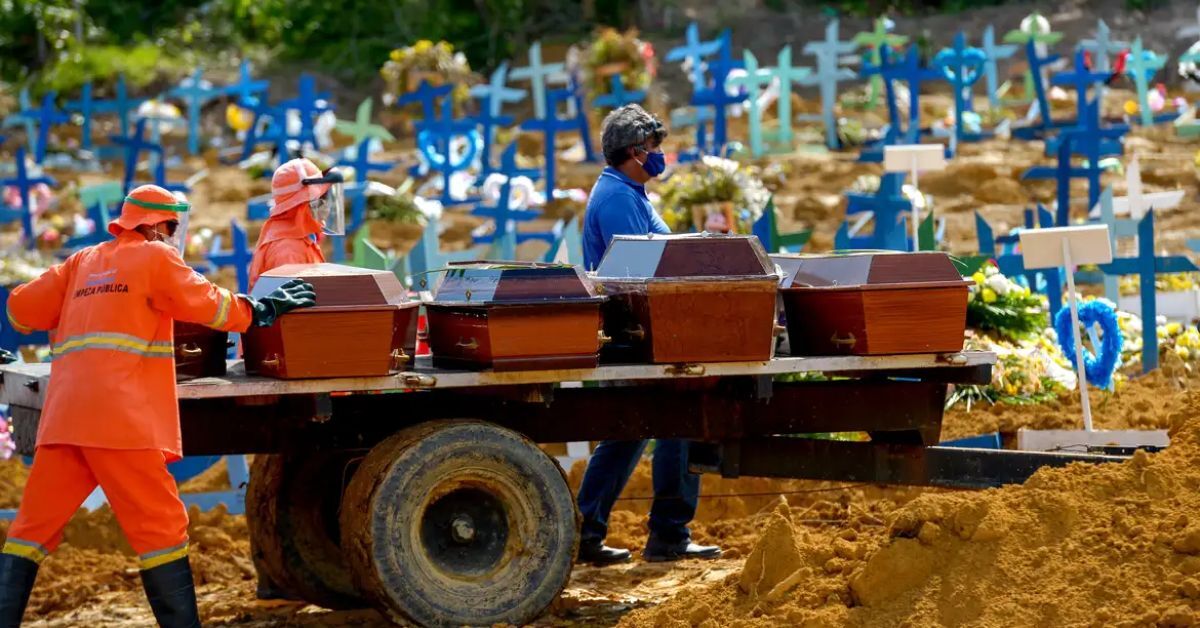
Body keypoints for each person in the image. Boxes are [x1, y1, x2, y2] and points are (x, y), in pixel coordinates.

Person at [0, 184, 317, 627]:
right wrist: (258, 310)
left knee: (29, 532)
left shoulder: (80, 262)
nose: (172, 237)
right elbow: (207, 302)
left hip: (65, 419)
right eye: (171, 228)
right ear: (152, 226)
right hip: (121, 421)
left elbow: (20, 310)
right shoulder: (155, 258)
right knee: (162, 530)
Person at [576, 104, 722, 566]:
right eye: (655, 146)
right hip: (638, 332)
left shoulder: (629, 192)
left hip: (640, 329)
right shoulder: (619, 199)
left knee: (627, 434)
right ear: (635, 151)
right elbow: (642, 269)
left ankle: (585, 533)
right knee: (677, 421)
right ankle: (669, 535)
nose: (660, 154)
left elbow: (660, 253)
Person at [245, 157, 344, 602]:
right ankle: (275, 572)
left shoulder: (294, 237)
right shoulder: (287, 247)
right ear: (301, 202)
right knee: (287, 470)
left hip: (290, 362)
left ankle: (275, 574)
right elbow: (299, 319)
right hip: (293, 366)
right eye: (318, 200)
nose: (324, 208)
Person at [248, 157, 345, 287]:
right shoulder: (289, 251)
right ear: (300, 207)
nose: (327, 207)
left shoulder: (298, 235)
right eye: (320, 200)